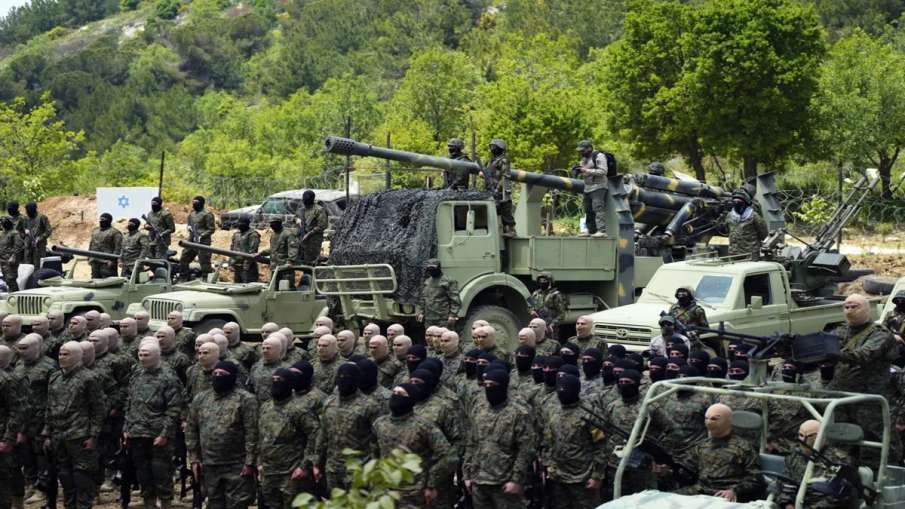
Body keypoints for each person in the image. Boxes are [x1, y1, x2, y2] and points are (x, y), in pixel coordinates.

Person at [826, 294, 899, 468]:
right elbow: (822, 345)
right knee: (841, 441)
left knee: (874, 444)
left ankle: (881, 478)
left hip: (870, 400)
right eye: (847, 307)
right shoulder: (840, 331)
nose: (849, 310)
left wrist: (833, 352)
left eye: (855, 306)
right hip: (842, 398)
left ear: (867, 309)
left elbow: (865, 355)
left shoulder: (880, 334)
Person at [186, 361, 258, 509]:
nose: (218, 377)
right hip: (209, 464)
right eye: (215, 374)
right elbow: (192, 429)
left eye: (222, 375)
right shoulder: (201, 399)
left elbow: (252, 432)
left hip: (237, 465)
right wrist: (194, 458)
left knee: (237, 504)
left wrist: (250, 462)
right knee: (213, 503)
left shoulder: (246, 399)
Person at [43, 341, 105, 509]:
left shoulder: (89, 378)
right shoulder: (55, 377)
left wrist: (93, 436)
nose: (61, 357)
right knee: (65, 476)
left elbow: (98, 409)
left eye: (66, 354)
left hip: (80, 435)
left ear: (78, 356)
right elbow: (50, 406)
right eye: (60, 354)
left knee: (82, 477)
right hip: (59, 435)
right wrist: (47, 432)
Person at [463, 367, 534, 508]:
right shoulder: (479, 408)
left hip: (504, 482)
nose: (489, 388)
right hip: (479, 480)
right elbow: (472, 442)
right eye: (486, 385)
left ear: (503, 386)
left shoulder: (518, 413)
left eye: (493, 385)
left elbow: (526, 449)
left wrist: (516, 479)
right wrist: (467, 474)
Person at [124, 341, 184, 509]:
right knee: (143, 474)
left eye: (146, 355)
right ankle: (148, 503)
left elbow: (174, 408)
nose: (142, 358)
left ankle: (165, 503)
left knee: (161, 473)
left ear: (157, 355)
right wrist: (126, 428)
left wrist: (164, 434)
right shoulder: (136, 373)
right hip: (137, 433)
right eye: (140, 355)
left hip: (157, 434)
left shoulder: (168, 377)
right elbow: (129, 402)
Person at [373, 383, 451, 507]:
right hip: (385, 490)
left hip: (414, 493)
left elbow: (448, 456)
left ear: (411, 399)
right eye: (394, 392)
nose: (396, 396)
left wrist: (431, 483)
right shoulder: (379, 424)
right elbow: (374, 451)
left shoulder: (424, 427)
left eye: (401, 394)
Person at [311, 363, 383, 491]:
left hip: (359, 469)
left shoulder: (370, 406)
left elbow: (378, 440)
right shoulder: (329, 403)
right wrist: (317, 463)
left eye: (348, 376)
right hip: (333, 468)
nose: (344, 379)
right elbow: (323, 435)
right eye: (341, 376)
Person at [540, 374, 606, 508]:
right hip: (558, 476)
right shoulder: (552, 409)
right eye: (560, 389)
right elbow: (547, 439)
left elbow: (601, 446)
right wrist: (547, 465)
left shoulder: (589, 412)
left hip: (583, 478)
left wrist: (597, 475)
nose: (562, 392)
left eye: (566, 389)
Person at [257, 368, 319, 509]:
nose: (276, 384)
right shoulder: (265, 407)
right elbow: (261, 436)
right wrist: (258, 462)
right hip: (268, 472)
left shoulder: (299, 409)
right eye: (274, 381)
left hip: (292, 473)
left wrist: (304, 466)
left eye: (280, 381)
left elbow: (315, 435)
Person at [676, 403, 762, 501]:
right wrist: (669, 471)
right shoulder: (701, 446)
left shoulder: (743, 448)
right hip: (700, 491)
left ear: (728, 421)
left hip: (725, 494)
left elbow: (755, 479)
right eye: (706, 418)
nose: (709, 422)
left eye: (714, 419)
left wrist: (734, 491)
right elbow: (687, 470)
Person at [14, 334, 54, 503]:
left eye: (25, 348)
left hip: (41, 417)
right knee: (26, 454)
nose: (21, 352)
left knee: (42, 455)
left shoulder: (49, 366)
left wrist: (48, 424)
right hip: (23, 418)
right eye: (19, 348)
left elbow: (54, 395)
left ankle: (43, 489)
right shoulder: (18, 365)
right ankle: (30, 483)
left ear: (37, 347)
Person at [574, 140, 614, 238]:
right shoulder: (584, 159)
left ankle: (601, 230)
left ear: (589, 149)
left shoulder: (599, 156)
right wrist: (578, 171)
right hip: (587, 187)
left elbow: (603, 171)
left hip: (599, 186)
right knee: (588, 210)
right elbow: (585, 173)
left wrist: (586, 170)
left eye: (583, 150)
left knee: (598, 208)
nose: (581, 152)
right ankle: (589, 230)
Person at [722, 187, 767, 260]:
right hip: (734, 254)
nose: (737, 203)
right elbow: (727, 231)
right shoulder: (729, 216)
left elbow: (764, 234)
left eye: (739, 201)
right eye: (735, 201)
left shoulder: (754, 216)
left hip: (750, 255)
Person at [483, 139, 515, 237]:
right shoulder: (490, 161)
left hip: (501, 190)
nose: (492, 149)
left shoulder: (503, 160)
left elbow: (505, 176)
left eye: (494, 147)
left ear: (500, 148)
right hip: (489, 189)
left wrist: (497, 189)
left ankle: (511, 230)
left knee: (505, 209)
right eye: (491, 146)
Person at [0, 357, 21, 509]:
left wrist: (8, 438)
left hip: (2, 435)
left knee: (3, 478)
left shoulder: (6, 380)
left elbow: (16, 411)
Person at [417, 258, 461, 329]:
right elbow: (423, 298)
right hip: (429, 318)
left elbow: (455, 300)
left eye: (433, 268)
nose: (431, 271)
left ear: (439, 268)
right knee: (430, 338)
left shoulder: (448, 281)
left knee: (445, 338)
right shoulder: (427, 282)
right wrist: (421, 312)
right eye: (429, 269)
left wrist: (452, 315)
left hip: (443, 319)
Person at [180, 196, 216, 280]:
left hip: (203, 242)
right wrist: (189, 227)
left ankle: (206, 278)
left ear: (201, 203)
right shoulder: (192, 214)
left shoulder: (207, 214)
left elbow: (211, 229)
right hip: (191, 240)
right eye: (193, 202)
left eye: (196, 202)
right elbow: (189, 224)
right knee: (184, 258)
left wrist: (202, 235)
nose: (194, 204)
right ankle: (184, 277)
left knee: (204, 261)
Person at [528, 272, 566, 339]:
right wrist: (531, 311)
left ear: (550, 282)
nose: (542, 282)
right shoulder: (535, 294)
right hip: (538, 326)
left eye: (544, 281)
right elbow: (529, 306)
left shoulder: (555, 295)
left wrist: (552, 324)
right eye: (540, 281)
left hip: (550, 327)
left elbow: (561, 314)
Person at [297, 190, 327, 266]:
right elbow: (295, 217)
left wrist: (309, 234)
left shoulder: (319, 209)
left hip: (314, 240)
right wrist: (296, 220)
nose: (304, 202)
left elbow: (322, 225)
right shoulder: (302, 209)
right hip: (302, 238)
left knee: (312, 262)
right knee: (302, 261)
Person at [88, 213, 123, 279]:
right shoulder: (95, 231)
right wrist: (89, 257)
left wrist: (112, 260)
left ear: (109, 220)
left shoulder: (115, 233)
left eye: (103, 219)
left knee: (109, 282)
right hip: (95, 261)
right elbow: (91, 244)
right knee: (95, 281)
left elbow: (118, 248)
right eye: (100, 219)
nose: (101, 221)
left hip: (107, 262)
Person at [229, 217, 260, 284]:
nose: (239, 226)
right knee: (236, 287)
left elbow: (252, 251)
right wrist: (231, 263)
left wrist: (246, 266)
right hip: (237, 266)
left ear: (246, 224)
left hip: (248, 268)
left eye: (241, 225)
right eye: (238, 224)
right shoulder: (236, 235)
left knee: (247, 286)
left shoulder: (253, 235)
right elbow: (232, 250)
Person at [21, 202, 52, 268]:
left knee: (38, 266)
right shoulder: (25, 218)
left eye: (29, 211)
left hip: (39, 246)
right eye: (27, 211)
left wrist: (40, 238)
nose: (27, 212)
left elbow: (48, 231)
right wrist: (24, 231)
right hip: (28, 247)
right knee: (27, 266)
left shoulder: (42, 217)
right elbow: (21, 231)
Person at [0, 216, 22, 292]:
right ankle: (11, 294)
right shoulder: (3, 233)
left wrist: (13, 257)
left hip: (11, 261)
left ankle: (16, 295)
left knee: (11, 279)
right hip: (3, 260)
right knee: (6, 279)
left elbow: (18, 246)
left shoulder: (14, 233)